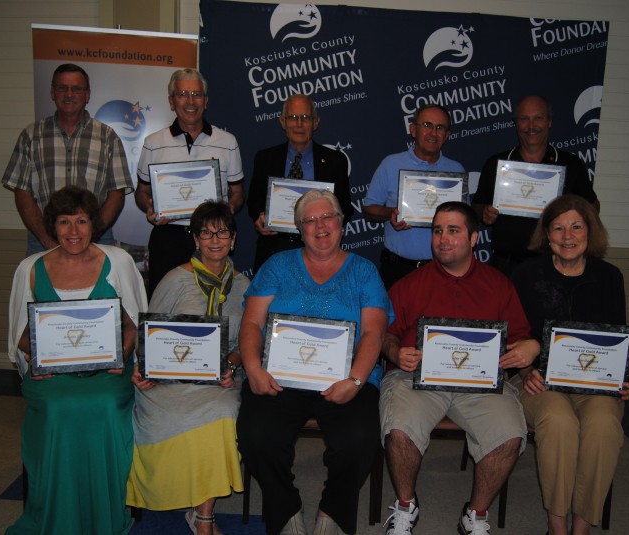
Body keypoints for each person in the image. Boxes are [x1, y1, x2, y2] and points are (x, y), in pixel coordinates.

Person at [236, 190, 393, 535]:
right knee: (257, 436)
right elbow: (251, 323)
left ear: (341, 223)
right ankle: (285, 510)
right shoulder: (277, 265)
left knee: (358, 440)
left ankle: (332, 514)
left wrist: (354, 381)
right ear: (299, 228)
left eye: (328, 217)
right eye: (310, 220)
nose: (320, 226)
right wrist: (253, 369)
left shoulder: (364, 272)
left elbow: (373, 333)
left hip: (346, 375)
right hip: (280, 375)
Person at [380, 201, 539, 535]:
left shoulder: (499, 284)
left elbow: (521, 339)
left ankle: (475, 515)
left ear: (474, 238)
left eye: (453, 230)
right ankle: (406, 507)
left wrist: (527, 353)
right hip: (416, 378)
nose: (443, 239)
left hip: (480, 385)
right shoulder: (410, 284)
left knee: (509, 436)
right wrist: (397, 350)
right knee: (399, 431)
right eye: (438, 231)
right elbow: (385, 334)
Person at [6, 186, 147, 534]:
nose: (73, 231)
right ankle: (56, 513)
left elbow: (135, 325)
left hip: (107, 372)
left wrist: (124, 354)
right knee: (58, 409)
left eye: (81, 221)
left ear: (93, 224)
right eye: (64, 222)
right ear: (52, 226)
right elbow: (20, 335)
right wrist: (36, 362)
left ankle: (106, 511)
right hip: (52, 376)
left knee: (101, 405)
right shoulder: (31, 268)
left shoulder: (118, 262)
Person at [511, 195, 629, 535]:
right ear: (547, 236)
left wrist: (623, 378)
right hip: (539, 382)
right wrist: (524, 371)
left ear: (589, 232)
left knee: (604, 423)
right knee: (559, 422)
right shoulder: (524, 274)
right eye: (559, 228)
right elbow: (514, 337)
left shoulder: (610, 277)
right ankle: (557, 525)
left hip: (593, 384)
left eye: (576, 226)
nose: (568, 236)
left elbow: (618, 337)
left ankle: (582, 525)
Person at [127, 201, 248, 535]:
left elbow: (244, 346)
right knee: (161, 414)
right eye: (206, 232)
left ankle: (203, 515)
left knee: (224, 411)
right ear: (195, 239)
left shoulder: (243, 287)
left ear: (233, 239)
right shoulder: (174, 280)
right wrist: (144, 369)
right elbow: (148, 336)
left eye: (222, 232)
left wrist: (231, 365)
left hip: (219, 382)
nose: (214, 239)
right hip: (171, 381)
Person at [2, 63, 134, 257]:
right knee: (41, 288)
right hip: (43, 239)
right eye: (62, 88)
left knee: (100, 288)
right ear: (52, 92)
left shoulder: (107, 137)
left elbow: (116, 193)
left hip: (97, 239)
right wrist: (46, 239)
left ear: (87, 95)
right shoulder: (31, 136)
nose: (69, 94)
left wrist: (90, 235)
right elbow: (22, 191)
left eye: (77, 89)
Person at [134, 68, 245, 297]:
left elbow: (238, 192)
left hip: (212, 238)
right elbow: (141, 191)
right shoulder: (153, 143)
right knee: (165, 302)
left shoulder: (227, 142)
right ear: (171, 101)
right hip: (168, 237)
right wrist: (149, 207)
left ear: (206, 101)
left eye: (196, 94)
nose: (190, 101)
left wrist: (230, 208)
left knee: (213, 303)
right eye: (182, 94)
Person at [472, 95, 599, 276]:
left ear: (549, 122)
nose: (531, 126)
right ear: (516, 124)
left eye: (538, 118)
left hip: (554, 263)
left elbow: (594, 206)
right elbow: (476, 206)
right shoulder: (497, 163)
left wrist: (573, 214)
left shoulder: (571, 164)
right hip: (506, 265)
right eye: (524, 119)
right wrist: (484, 211)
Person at [248, 93, 353, 272]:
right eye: (293, 118)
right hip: (275, 249)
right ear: (282, 122)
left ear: (316, 122)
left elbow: (346, 208)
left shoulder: (335, 160)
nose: (299, 124)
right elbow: (253, 202)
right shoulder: (265, 159)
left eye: (305, 118)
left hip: (319, 249)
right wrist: (260, 218)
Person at [363, 104, 465, 289]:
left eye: (440, 128)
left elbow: (464, 220)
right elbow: (369, 209)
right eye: (427, 125)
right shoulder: (390, 164)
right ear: (413, 129)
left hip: (443, 270)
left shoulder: (456, 171)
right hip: (398, 270)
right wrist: (389, 214)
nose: (433, 133)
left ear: (447, 135)